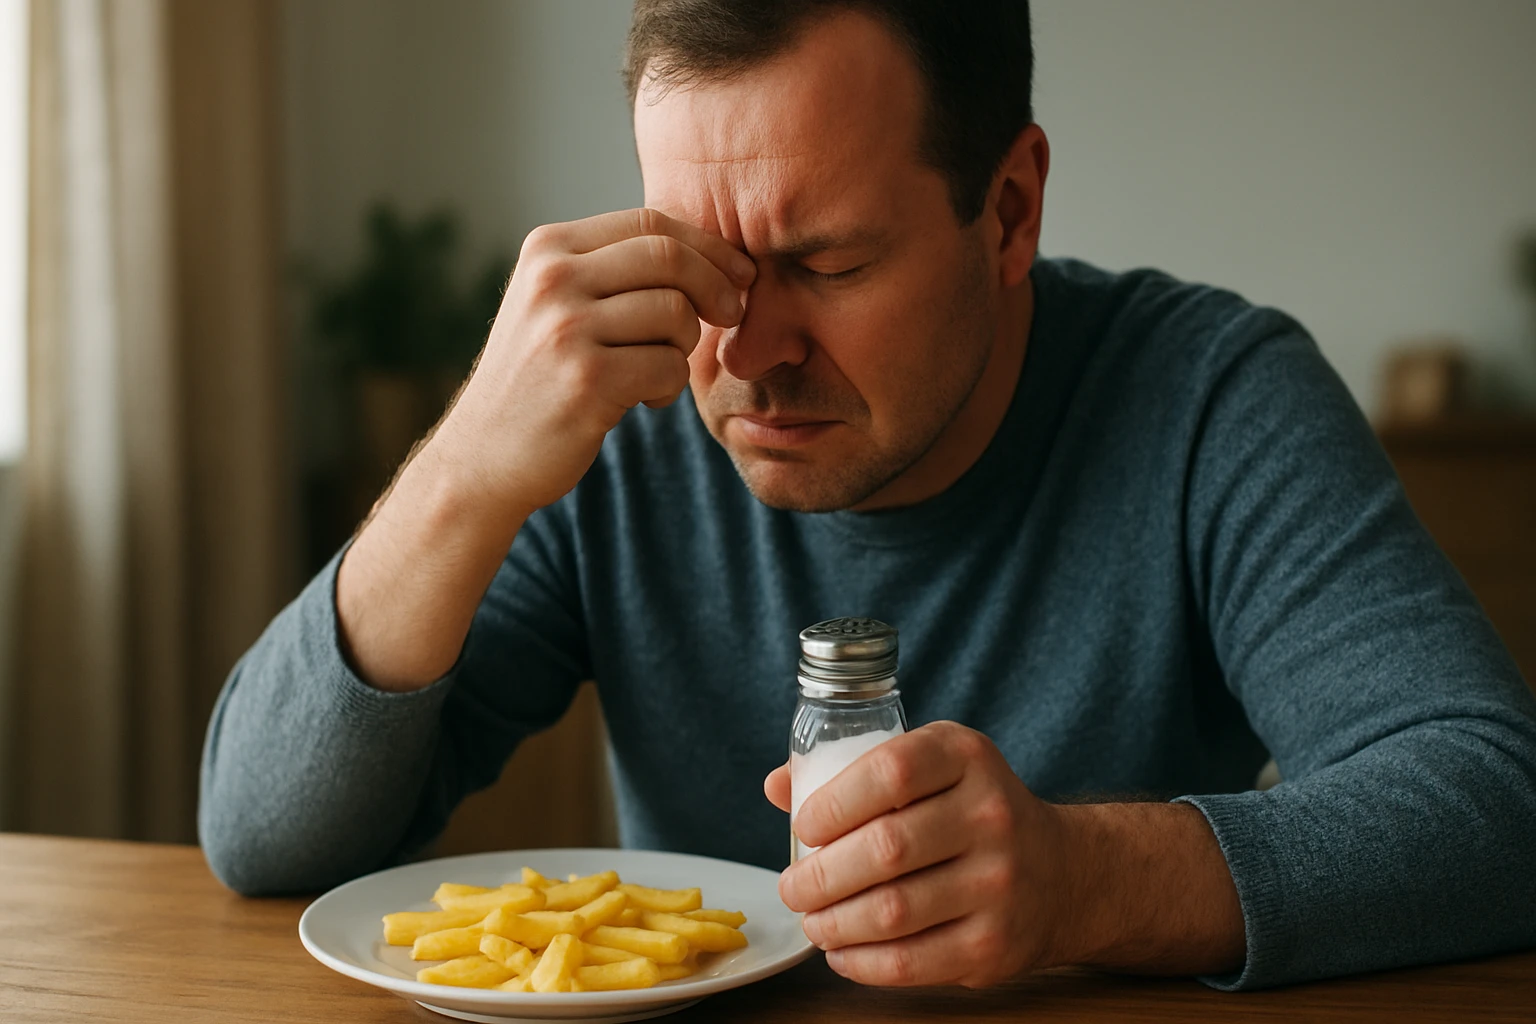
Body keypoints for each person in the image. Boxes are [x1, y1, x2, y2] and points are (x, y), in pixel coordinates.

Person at [199, 0, 1536, 992]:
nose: (745, 354)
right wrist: (464, 470)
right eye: (699, 263)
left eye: (827, 266)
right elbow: (259, 838)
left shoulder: (1212, 400)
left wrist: (1086, 883)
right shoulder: (616, 414)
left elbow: (1497, 804)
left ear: (1008, 211)